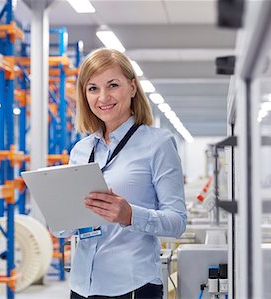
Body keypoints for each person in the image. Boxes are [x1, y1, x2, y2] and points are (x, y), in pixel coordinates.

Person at [66, 48, 187, 299]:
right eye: (93, 88)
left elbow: (177, 222)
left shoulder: (158, 143)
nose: (103, 97)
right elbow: (72, 225)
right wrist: (61, 217)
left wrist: (130, 215)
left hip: (132, 286)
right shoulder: (81, 150)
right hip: (81, 286)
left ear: (132, 87)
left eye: (112, 85)